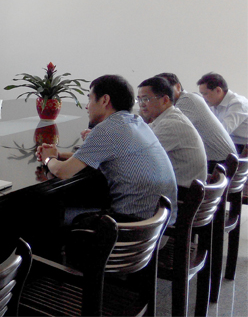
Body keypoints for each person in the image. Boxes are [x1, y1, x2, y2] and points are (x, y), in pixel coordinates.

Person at [37, 75, 177, 224]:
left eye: (90, 99)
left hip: (134, 226)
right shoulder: (135, 122)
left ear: (104, 100)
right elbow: (91, 157)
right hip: (159, 223)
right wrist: (58, 154)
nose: (87, 106)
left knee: (65, 221)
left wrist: (48, 158)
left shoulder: (107, 129)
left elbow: (62, 171)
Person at [137, 77, 206, 187]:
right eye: (139, 100)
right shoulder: (165, 118)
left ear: (165, 100)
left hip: (181, 191)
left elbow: (140, 157)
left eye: (146, 99)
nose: (141, 104)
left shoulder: (171, 124)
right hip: (180, 187)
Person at [155, 73, 236, 164]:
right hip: (219, 160)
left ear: (178, 87)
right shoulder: (186, 100)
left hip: (220, 162)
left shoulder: (187, 100)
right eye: (158, 91)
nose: (163, 94)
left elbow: (165, 132)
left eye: (166, 89)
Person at [197, 72, 248, 154]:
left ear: (218, 90)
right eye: (202, 94)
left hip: (243, 147)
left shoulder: (238, 104)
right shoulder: (213, 104)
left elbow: (222, 132)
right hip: (232, 144)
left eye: (205, 93)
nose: (203, 98)